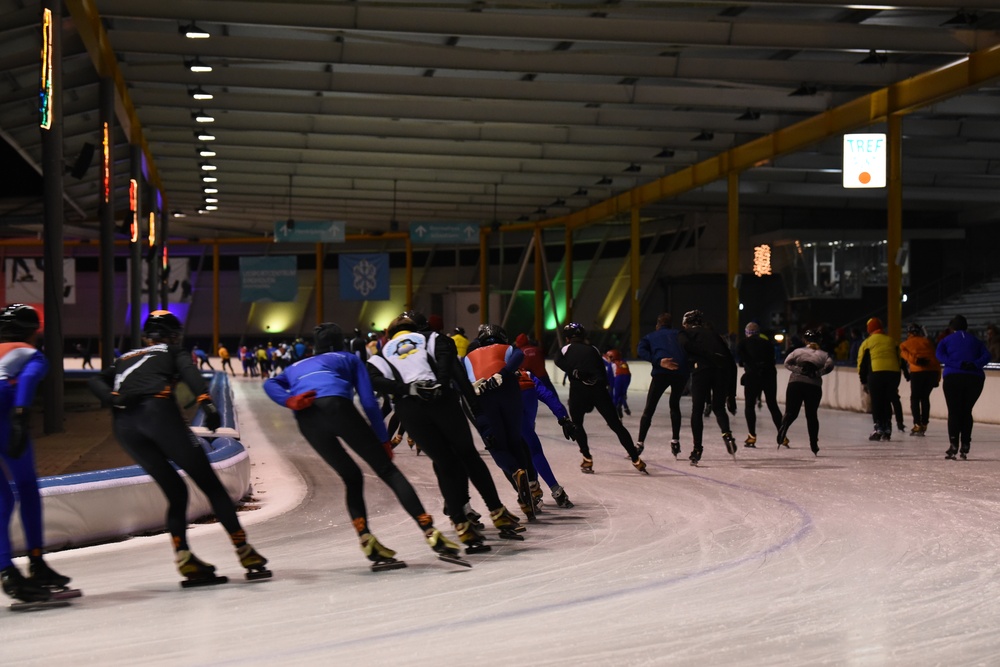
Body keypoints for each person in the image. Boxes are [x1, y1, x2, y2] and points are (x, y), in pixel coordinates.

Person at [87, 310, 269, 586]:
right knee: (211, 486)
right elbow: (189, 372)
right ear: (174, 336)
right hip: (159, 415)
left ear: (147, 337)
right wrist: (206, 403)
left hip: (124, 426)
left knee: (176, 492)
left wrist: (113, 398)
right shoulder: (173, 351)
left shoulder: (125, 357)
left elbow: (94, 380)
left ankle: (184, 556)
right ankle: (245, 552)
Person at [263, 323, 467, 567]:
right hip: (338, 408)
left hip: (307, 419)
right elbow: (369, 402)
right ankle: (430, 532)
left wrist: (289, 400)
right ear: (341, 342)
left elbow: (269, 384)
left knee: (351, 477)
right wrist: (383, 439)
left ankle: (366, 538)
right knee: (387, 470)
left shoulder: (295, 366)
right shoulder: (348, 358)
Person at [366, 311, 525, 544]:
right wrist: (475, 411)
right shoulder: (433, 339)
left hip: (409, 409)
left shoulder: (382, 353)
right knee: (469, 456)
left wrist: (408, 389)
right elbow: (457, 375)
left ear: (390, 334)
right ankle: (497, 512)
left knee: (445, 463)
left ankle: (461, 524)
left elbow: (373, 379)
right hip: (442, 401)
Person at [0, 304, 74, 604]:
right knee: (27, 488)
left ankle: (6, 570)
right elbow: (29, 380)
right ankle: (36, 562)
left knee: (2, 499)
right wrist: (20, 415)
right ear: (34, 332)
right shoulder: (32, 353)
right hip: (5, 411)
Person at [462, 324, 537, 520]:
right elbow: (519, 356)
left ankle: (515, 472)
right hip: (508, 392)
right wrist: (502, 374)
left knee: (497, 446)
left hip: (482, 398)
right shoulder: (508, 348)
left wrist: (471, 387)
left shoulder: (468, 357)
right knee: (515, 440)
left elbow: (457, 380)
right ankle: (527, 491)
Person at [554, 323, 646, 474]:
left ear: (567, 338)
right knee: (616, 425)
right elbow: (603, 371)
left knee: (577, 424)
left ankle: (587, 459)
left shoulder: (565, 349)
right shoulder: (594, 349)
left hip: (578, 391)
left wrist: (575, 372)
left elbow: (558, 361)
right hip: (598, 390)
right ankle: (636, 459)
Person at [677, 310, 739, 464]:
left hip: (702, 370)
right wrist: (731, 394)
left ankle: (697, 449)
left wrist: (704, 355)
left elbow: (685, 346)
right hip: (722, 371)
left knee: (697, 410)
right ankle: (727, 434)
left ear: (686, 323)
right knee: (719, 408)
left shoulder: (685, 333)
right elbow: (731, 363)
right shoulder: (714, 335)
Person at [516, 369, 577, 508]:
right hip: (528, 387)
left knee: (520, 449)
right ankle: (555, 491)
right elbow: (547, 395)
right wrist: (563, 417)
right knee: (532, 447)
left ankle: (532, 489)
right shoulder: (527, 373)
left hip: (507, 392)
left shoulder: (492, 374)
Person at [935, 314, 991, 460]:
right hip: (975, 378)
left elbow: (939, 355)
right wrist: (975, 364)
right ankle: (965, 443)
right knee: (966, 411)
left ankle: (954, 443)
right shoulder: (976, 340)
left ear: (952, 327)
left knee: (954, 411)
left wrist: (957, 364)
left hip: (953, 377)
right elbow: (987, 356)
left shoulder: (946, 340)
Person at [635, 312, 689, 458]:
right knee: (674, 405)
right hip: (680, 373)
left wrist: (659, 361)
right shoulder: (680, 334)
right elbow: (690, 348)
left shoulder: (650, 336)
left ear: (658, 324)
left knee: (649, 408)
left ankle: (640, 443)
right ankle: (675, 441)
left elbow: (640, 350)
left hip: (661, 373)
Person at [776, 330, 834, 455]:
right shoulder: (824, 354)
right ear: (819, 341)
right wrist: (817, 373)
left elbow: (786, 363)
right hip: (813, 386)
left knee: (791, 412)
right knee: (811, 415)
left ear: (805, 340)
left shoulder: (797, 351)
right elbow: (830, 366)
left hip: (795, 383)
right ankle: (814, 443)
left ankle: (784, 426)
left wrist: (799, 370)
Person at [737, 322, 783, 448]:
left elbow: (742, 360)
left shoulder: (743, 343)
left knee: (749, 406)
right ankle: (782, 434)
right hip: (769, 375)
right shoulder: (768, 343)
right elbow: (772, 360)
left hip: (752, 376)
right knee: (772, 404)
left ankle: (752, 436)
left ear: (747, 333)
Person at [856, 317, 901, 442]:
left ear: (869, 329)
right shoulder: (891, 341)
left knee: (877, 401)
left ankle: (879, 427)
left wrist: (863, 380)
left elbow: (862, 362)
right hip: (893, 373)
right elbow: (899, 358)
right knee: (887, 401)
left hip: (876, 373)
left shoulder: (867, 343)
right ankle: (888, 427)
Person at [899, 323, 941, 436]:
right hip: (932, 372)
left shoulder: (905, 344)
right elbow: (936, 359)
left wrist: (916, 361)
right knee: (925, 397)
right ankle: (924, 423)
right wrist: (938, 378)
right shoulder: (927, 342)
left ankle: (917, 424)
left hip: (918, 372)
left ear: (909, 333)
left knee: (915, 398)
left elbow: (904, 355)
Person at [603, 348, 632, 418]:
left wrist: (607, 384)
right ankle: (623, 406)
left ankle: (613, 412)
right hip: (627, 377)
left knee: (616, 396)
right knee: (622, 394)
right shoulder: (624, 362)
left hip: (618, 378)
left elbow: (609, 375)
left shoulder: (611, 364)